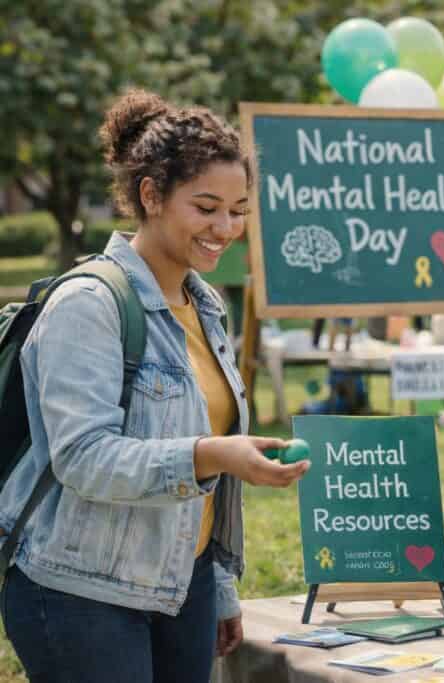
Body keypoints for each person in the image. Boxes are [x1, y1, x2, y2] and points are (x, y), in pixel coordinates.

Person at [0, 90, 310, 682]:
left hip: (180, 588)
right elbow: (83, 458)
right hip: (79, 592)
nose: (226, 227)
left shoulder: (205, 304)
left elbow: (210, 478)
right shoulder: (89, 304)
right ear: (151, 195)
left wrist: (216, 588)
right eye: (207, 207)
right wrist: (213, 455)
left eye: (240, 209)